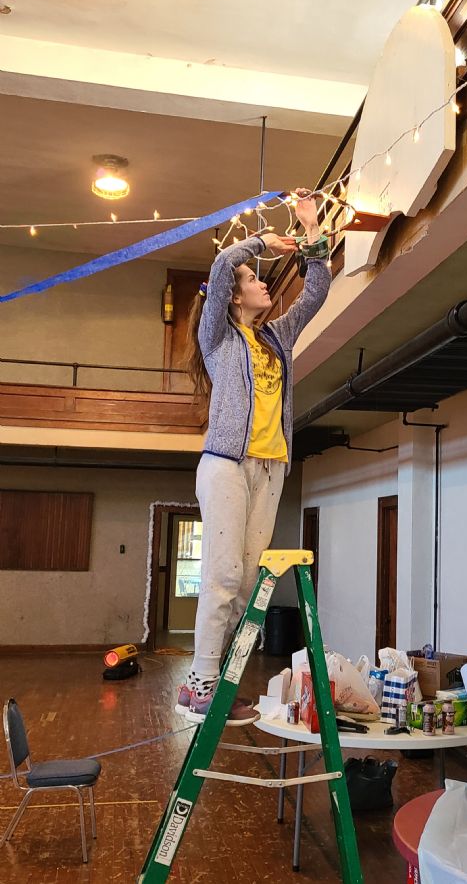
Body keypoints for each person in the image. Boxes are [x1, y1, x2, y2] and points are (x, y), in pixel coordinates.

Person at [175, 191, 331, 724]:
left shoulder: (276, 338)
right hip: (226, 463)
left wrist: (312, 229)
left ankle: (212, 682)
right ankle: (200, 683)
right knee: (222, 575)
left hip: (271, 466)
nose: (263, 283)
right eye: (253, 280)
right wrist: (259, 242)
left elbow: (317, 294)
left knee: (246, 586)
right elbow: (222, 265)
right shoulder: (218, 337)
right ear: (234, 297)